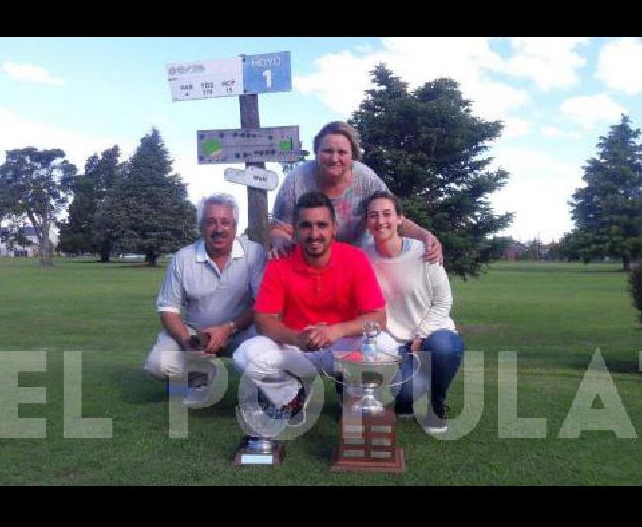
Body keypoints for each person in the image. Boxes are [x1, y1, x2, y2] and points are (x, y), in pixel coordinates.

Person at [233, 191, 398, 425]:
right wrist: (295, 337)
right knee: (246, 353)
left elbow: (378, 318)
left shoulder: (355, 258)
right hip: (297, 349)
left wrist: (337, 331)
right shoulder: (280, 262)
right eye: (306, 226)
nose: (314, 234)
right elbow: (263, 319)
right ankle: (294, 395)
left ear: (334, 228)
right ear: (295, 229)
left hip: (339, 349)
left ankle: (354, 397)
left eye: (322, 225)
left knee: (385, 346)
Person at [362, 191, 465, 434]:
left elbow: (443, 301)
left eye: (387, 214)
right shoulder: (362, 257)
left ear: (400, 219)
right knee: (404, 390)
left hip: (432, 333)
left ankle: (436, 404)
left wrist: (421, 335)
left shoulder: (424, 252)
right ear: (367, 223)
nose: (381, 221)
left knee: (445, 347)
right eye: (373, 216)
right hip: (392, 340)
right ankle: (405, 401)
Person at [269, 120, 443, 262]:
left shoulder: (366, 179)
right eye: (328, 151)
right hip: (313, 255)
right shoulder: (296, 180)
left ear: (352, 156)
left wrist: (424, 236)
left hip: (360, 256)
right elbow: (279, 228)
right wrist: (280, 242)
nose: (334, 158)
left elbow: (393, 216)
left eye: (342, 152)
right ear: (316, 152)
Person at [144, 193, 266, 391]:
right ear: (201, 227)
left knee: (267, 346)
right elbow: (168, 310)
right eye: (211, 222)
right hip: (196, 335)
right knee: (158, 365)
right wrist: (188, 345)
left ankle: (268, 391)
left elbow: (263, 304)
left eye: (225, 222)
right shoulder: (183, 258)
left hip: (241, 331)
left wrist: (228, 329)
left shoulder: (254, 253)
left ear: (235, 227)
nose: (218, 229)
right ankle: (202, 375)